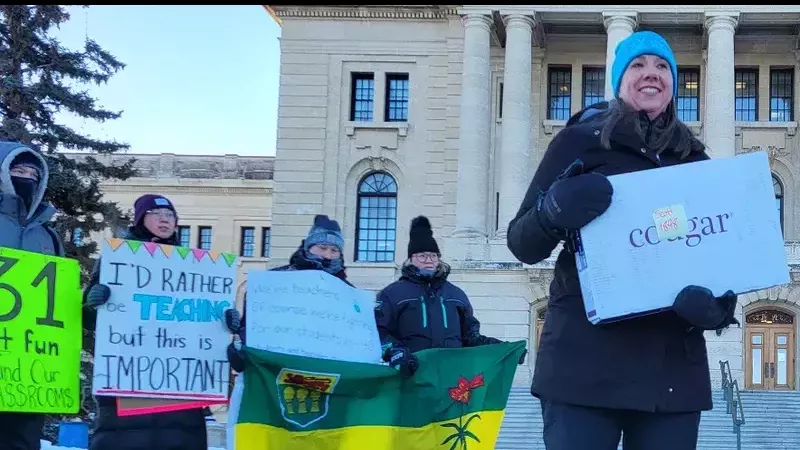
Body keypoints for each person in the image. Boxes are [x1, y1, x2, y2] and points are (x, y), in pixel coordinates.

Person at [505, 31, 738, 450]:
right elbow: (523, 243)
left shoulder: (695, 160)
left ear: (673, 83)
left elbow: (720, 258)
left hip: (670, 376)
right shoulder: (578, 142)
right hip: (583, 368)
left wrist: (717, 310)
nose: (651, 73)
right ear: (619, 80)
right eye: (638, 64)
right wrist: (552, 210)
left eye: (662, 66)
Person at [82, 194, 208, 450]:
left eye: (170, 215)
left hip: (178, 380)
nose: (165, 220)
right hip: (127, 377)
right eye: (156, 214)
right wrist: (93, 303)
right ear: (140, 219)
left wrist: (224, 321)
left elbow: (204, 320)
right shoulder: (117, 258)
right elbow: (89, 321)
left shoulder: (194, 266)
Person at [223, 214, 351, 450]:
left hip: (323, 386)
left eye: (334, 250)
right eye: (322, 247)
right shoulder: (275, 282)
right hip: (274, 384)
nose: (328, 255)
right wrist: (239, 341)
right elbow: (252, 330)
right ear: (308, 247)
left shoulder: (349, 293)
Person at [374, 215, 525, 377]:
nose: (429, 260)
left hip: (451, 379)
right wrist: (396, 352)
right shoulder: (392, 294)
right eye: (422, 256)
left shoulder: (456, 295)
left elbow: (471, 338)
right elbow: (378, 333)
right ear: (411, 259)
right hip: (411, 376)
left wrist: (505, 349)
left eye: (433, 255)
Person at [0, 141, 65, 450]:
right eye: (18, 171)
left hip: (28, 370)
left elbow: (59, 300)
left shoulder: (47, 235)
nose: (26, 178)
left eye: (33, 174)